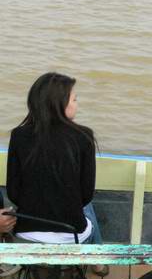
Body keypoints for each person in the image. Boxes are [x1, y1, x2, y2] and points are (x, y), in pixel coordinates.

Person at [6, 72, 105, 265]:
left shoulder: (18, 135)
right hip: (71, 236)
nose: (77, 104)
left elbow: (13, 192)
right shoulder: (83, 137)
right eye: (74, 99)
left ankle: (96, 261)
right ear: (59, 104)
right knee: (88, 208)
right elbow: (86, 195)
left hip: (26, 236)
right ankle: (97, 261)